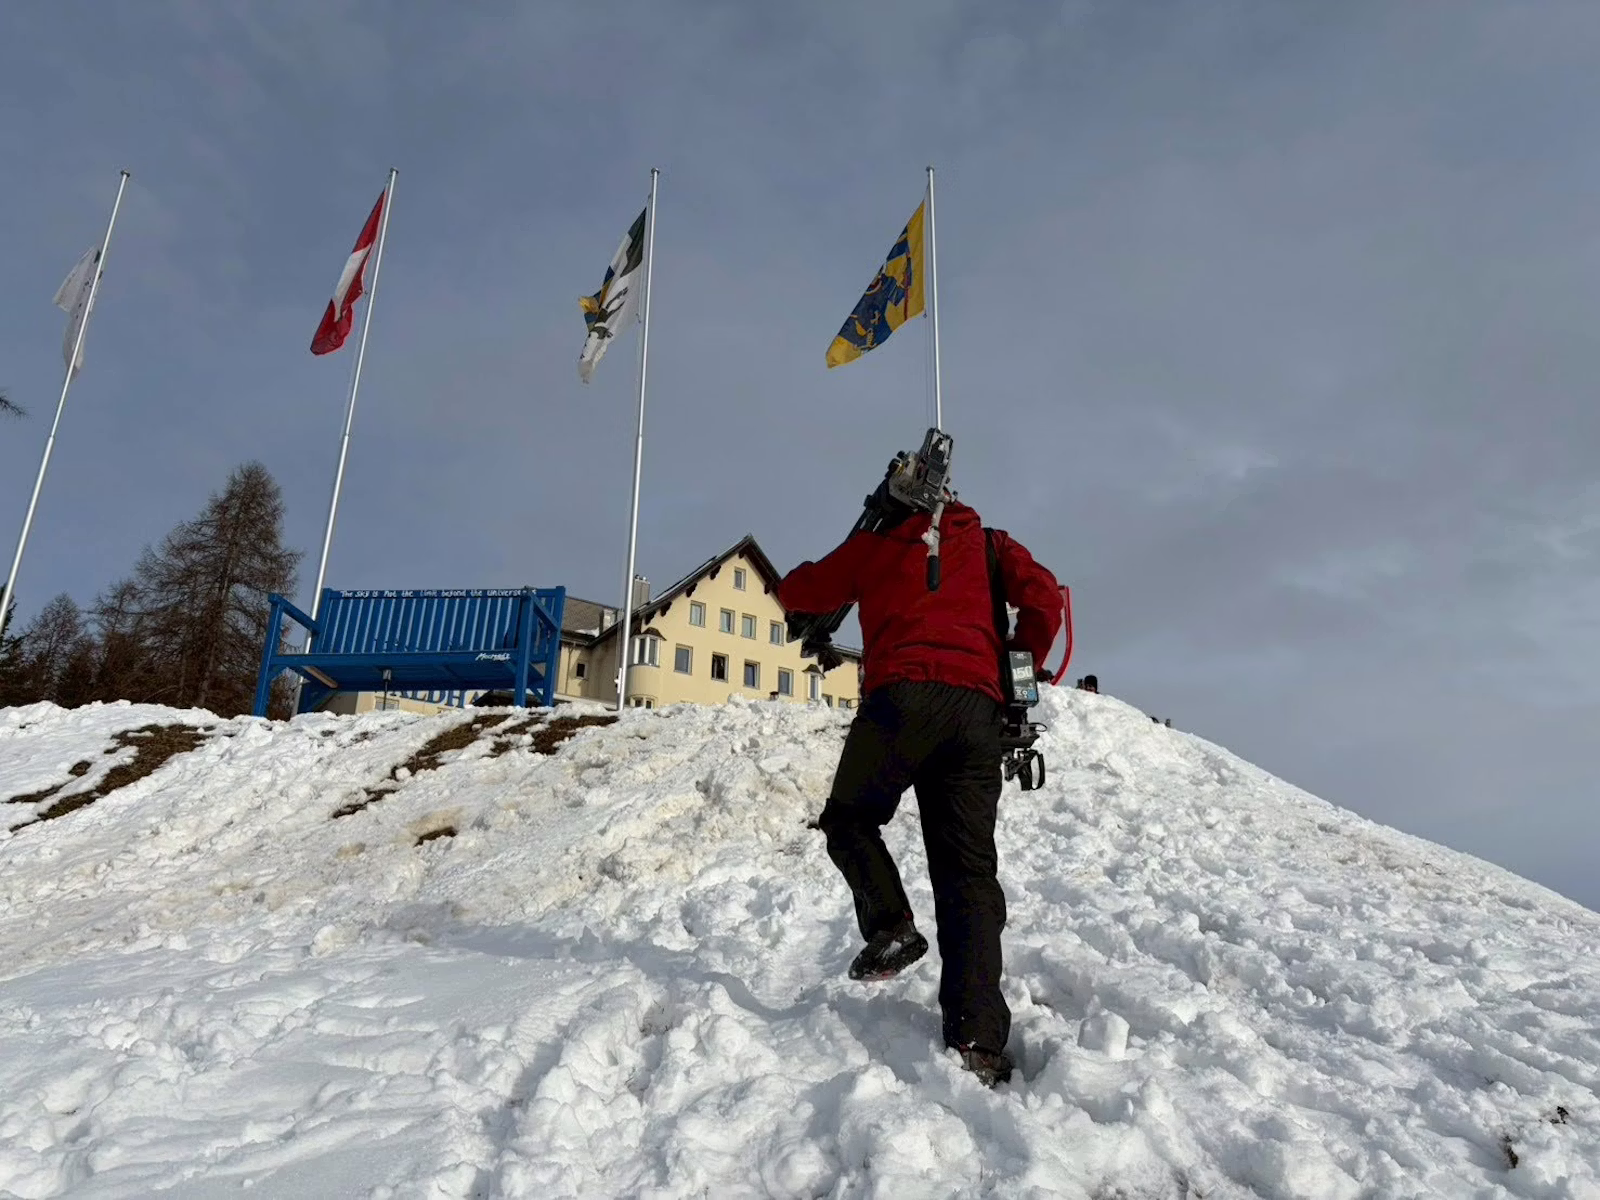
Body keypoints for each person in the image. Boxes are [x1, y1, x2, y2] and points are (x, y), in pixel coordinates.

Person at [777, 487, 1061, 1087]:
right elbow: (1044, 599)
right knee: (967, 875)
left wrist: (785, 586)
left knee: (850, 818)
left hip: (901, 700)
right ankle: (978, 1040)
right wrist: (1020, 660)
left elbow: (807, 589)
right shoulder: (991, 545)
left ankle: (891, 927)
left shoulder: (877, 544)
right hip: (977, 713)